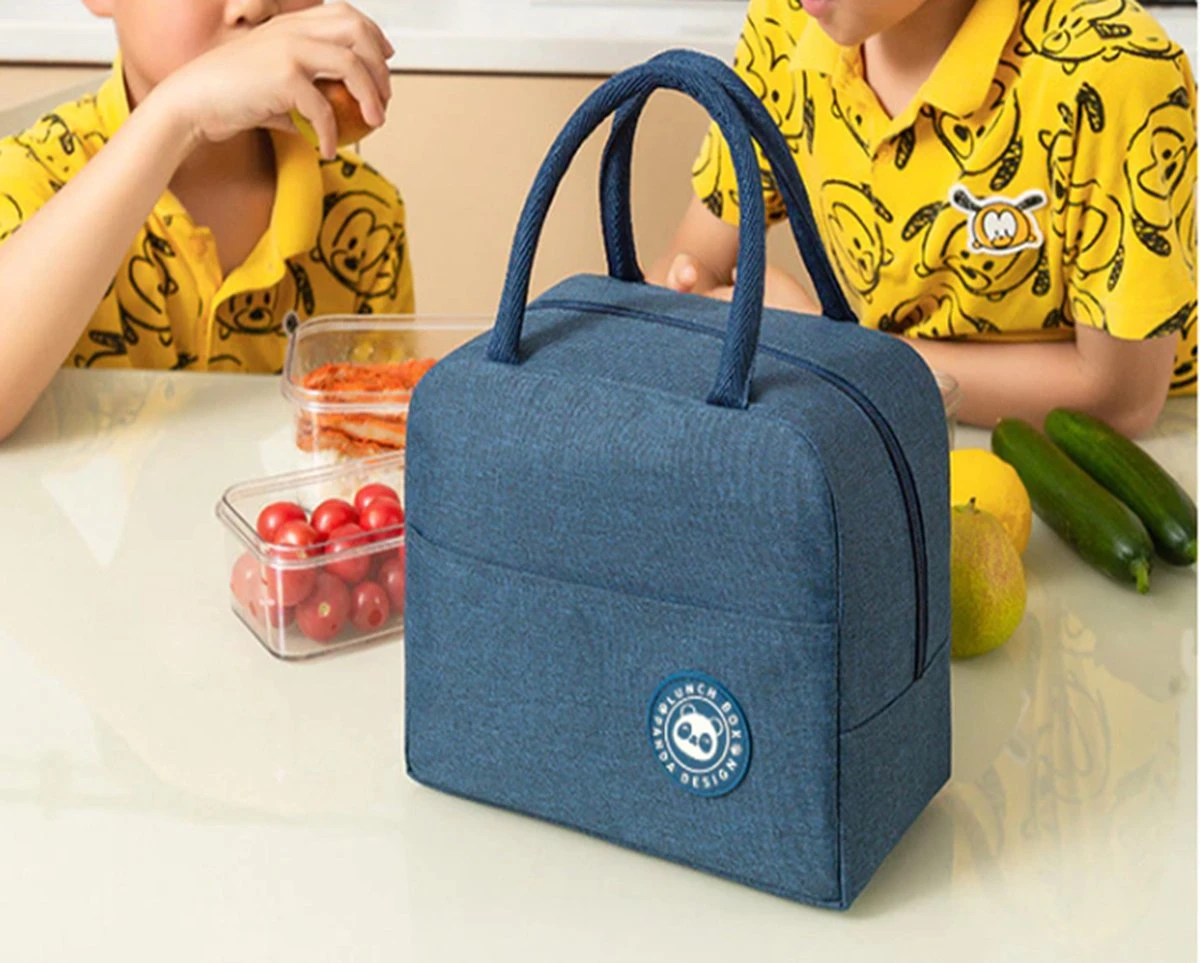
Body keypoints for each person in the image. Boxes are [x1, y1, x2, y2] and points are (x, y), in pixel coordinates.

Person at [651, 0, 1197, 435]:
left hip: (1121, 465)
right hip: (893, 423)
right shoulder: (789, 21)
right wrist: (687, 296)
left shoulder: (1114, 69)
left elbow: (1123, 399)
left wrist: (828, 346)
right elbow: (690, 263)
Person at [0, 0, 413, 441]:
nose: (254, 6)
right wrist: (178, 117)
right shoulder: (25, 180)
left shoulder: (363, 218)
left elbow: (379, 443)